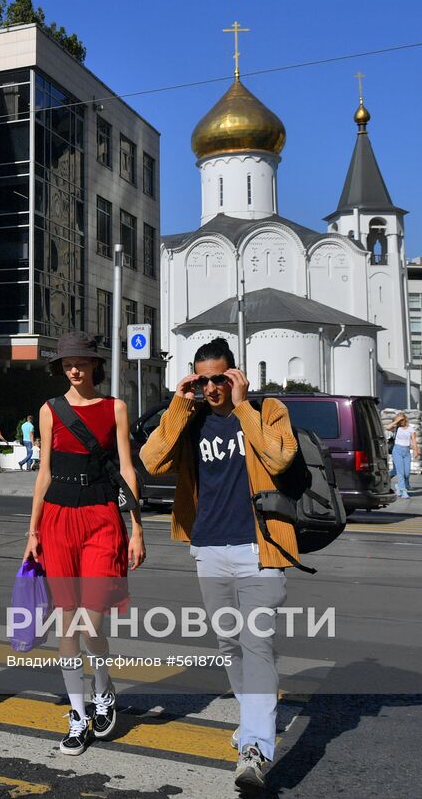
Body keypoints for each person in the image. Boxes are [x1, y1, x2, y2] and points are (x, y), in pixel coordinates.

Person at [141, 337, 301, 791]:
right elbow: (151, 461)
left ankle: (254, 747)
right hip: (209, 548)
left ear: (234, 374)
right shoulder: (190, 420)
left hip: (259, 549)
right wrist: (178, 403)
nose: (211, 388)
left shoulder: (267, 410)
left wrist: (243, 404)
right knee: (230, 643)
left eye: (219, 378)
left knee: (257, 645)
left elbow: (280, 454)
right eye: (203, 379)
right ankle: (254, 717)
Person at [23, 332, 145, 756]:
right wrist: (33, 531)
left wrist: (137, 527)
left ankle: (104, 686)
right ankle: (78, 715)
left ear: (96, 365)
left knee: (91, 621)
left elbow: (126, 469)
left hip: (101, 518)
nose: (74, 368)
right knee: (67, 621)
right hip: (57, 518)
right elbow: (43, 473)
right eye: (67, 362)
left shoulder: (116, 408)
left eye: (82, 361)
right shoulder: (50, 410)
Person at [386, 413, 416, 498]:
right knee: (400, 473)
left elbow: (413, 440)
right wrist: (397, 420)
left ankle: (399, 486)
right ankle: (403, 491)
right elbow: (387, 428)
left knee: (406, 473)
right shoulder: (396, 428)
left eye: (402, 420)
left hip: (406, 451)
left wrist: (416, 450)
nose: (401, 422)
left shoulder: (410, 429)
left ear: (405, 420)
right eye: (400, 420)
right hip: (397, 451)